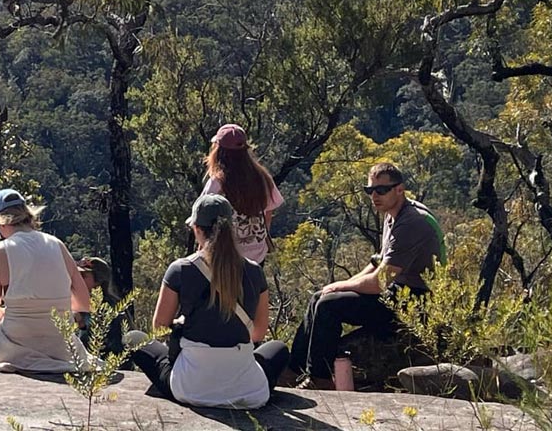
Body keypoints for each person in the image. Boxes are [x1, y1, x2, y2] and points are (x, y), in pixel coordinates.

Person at [287, 162, 444, 389]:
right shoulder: (394, 215)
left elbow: (380, 282)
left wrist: (340, 287)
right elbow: (377, 263)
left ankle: (320, 379)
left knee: (328, 306)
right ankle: (292, 371)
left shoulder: (412, 223)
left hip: (415, 303)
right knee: (318, 297)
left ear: (399, 189)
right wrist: (340, 285)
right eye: (370, 191)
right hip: (398, 293)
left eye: (381, 190)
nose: (374, 196)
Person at [131, 194, 288, 408]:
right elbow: (258, 334)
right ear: (232, 229)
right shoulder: (254, 271)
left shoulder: (180, 269)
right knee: (278, 348)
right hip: (247, 388)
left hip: (190, 386)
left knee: (133, 338)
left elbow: (159, 327)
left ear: (197, 228)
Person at [0, 188, 91, 373]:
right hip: (60, 346)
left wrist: (16, 311)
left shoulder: (1, 251)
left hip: (17, 348)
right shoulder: (57, 244)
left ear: (1, 222)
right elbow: (84, 302)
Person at [201, 123, 284, 265]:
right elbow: (269, 212)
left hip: (226, 257)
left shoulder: (217, 182)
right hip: (257, 256)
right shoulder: (262, 177)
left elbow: (202, 218)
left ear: (218, 150)